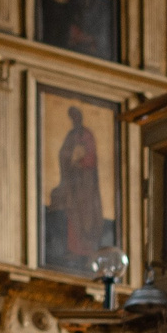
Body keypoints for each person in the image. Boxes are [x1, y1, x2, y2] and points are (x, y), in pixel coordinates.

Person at [53, 103, 105, 271]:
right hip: (74, 183)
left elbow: (91, 156)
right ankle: (74, 250)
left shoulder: (87, 134)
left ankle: (88, 251)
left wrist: (81, 160)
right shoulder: (71, 134)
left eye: (75, 117)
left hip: (86, 184)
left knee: (86, 217)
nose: (74, 120)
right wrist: (70, 159)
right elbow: (63, 153)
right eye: (72, 118)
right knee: (72, 213)